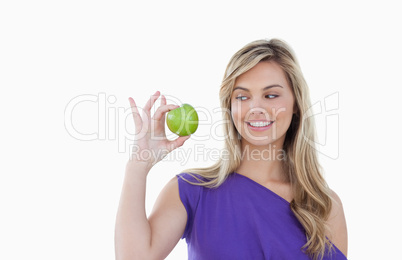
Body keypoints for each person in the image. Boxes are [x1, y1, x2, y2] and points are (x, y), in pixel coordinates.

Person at [114, 39, 348, 260]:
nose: (256, 108)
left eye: (271, 95)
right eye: (242, 96)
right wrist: (138, 164)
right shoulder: (191, 191)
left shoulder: (324, 205)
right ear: (230, 107)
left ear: (296, 104)